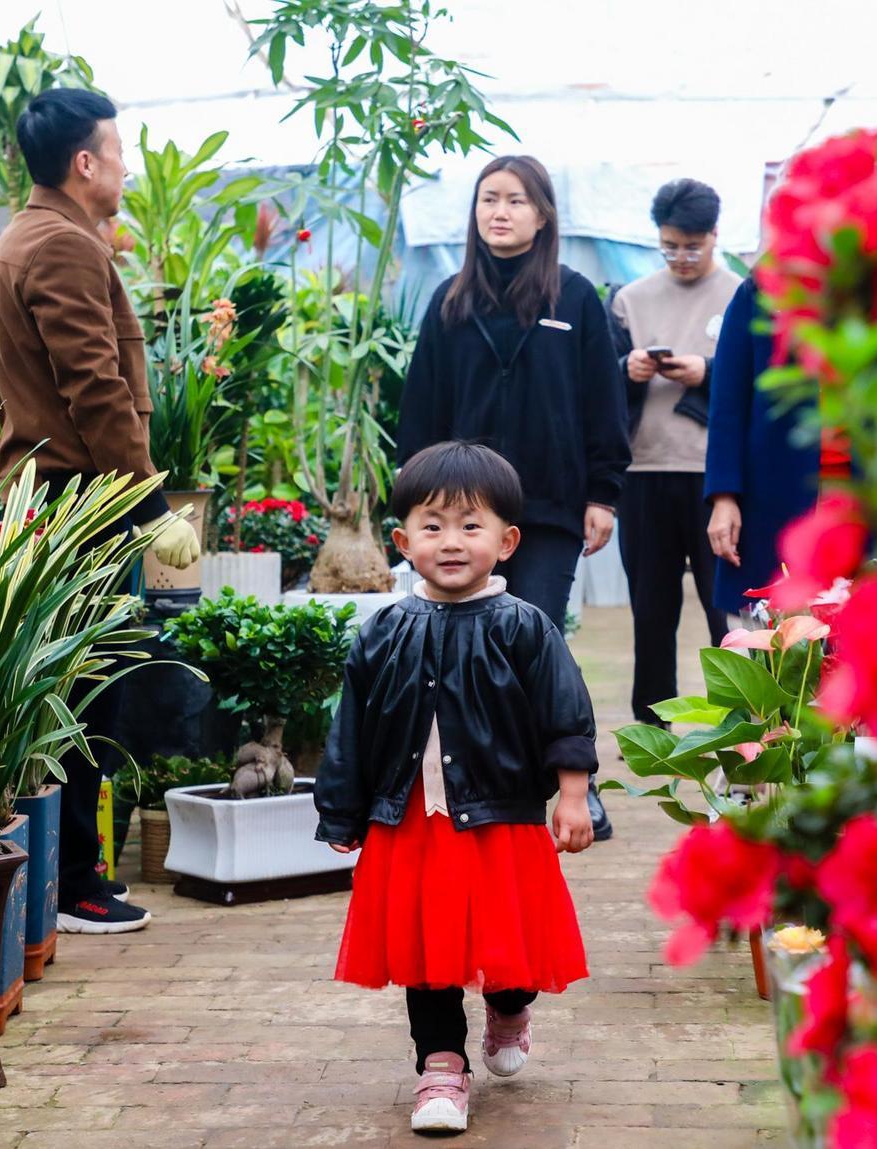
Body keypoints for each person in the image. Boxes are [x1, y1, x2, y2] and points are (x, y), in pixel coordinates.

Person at [315, 441, 595, 1135]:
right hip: (411, 821)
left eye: (471, 526)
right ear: (402, 539)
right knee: (425, 948)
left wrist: (570, 793)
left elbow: (566, 713)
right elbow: (352, 728)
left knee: (510, 940)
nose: (451, 542)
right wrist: (342, 809)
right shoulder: (382, 632)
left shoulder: (524, 627)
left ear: (507, 540)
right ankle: (440, 1064)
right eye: (433, 525)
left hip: (502, 818)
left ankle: (510, 1005)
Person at [0, 87, 202, 935]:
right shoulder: (63, 248)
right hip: (81, 501)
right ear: (84, 163)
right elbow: (96, 390)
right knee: (87, 691)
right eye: (116, 151)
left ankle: (72, 875)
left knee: (78, 687)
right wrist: (146, 502)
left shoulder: (38, 237)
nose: (124, 165)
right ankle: (74, 881)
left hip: (56, 499)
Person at [396, 155, 626, 840]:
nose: (500, 211)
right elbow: (420, 408)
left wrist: (603, 493)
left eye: (516, 200)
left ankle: (572, 782)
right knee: (466, 642)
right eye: (488, 199)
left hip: (550, 503)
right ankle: (485, 780)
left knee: (540, 636)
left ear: (543, 214)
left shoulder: (575, 298)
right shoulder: (449, 301)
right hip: (461, 512)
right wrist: (417, 506)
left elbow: (602, 403)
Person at [606, 179, 739, 726]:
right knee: (651, 613)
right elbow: (602, 390)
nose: (681, 257)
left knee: (724, 612)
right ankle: (652, 728)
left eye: (692, 246)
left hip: (717, 481)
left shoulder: (741, 294)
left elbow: (763, 384)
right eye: (669, 246)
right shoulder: (630, 299)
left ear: (714, 236)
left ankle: (739, 727)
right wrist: (629, 371)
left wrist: (706, 371)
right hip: (645, 473)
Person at [704, 275, 823, 619]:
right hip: (775, 488)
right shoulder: (761, 291)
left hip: (864, 495)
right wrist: (723, 496)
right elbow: (727, 402)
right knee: (772, 629)